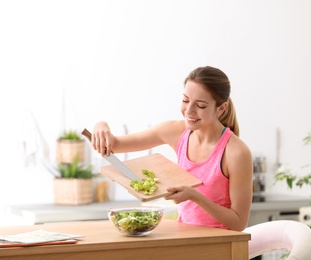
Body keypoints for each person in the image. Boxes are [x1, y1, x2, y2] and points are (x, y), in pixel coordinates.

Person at [91, 66, 253, 231]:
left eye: (201, 106)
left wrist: (195, 196)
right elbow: (113, 145)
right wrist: (100, 125)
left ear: (221, 108)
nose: (189, 111)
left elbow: (239, 223)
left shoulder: (236, 153)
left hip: (221, 246)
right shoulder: (176, 132)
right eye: (185, 100)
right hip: (183, 239)